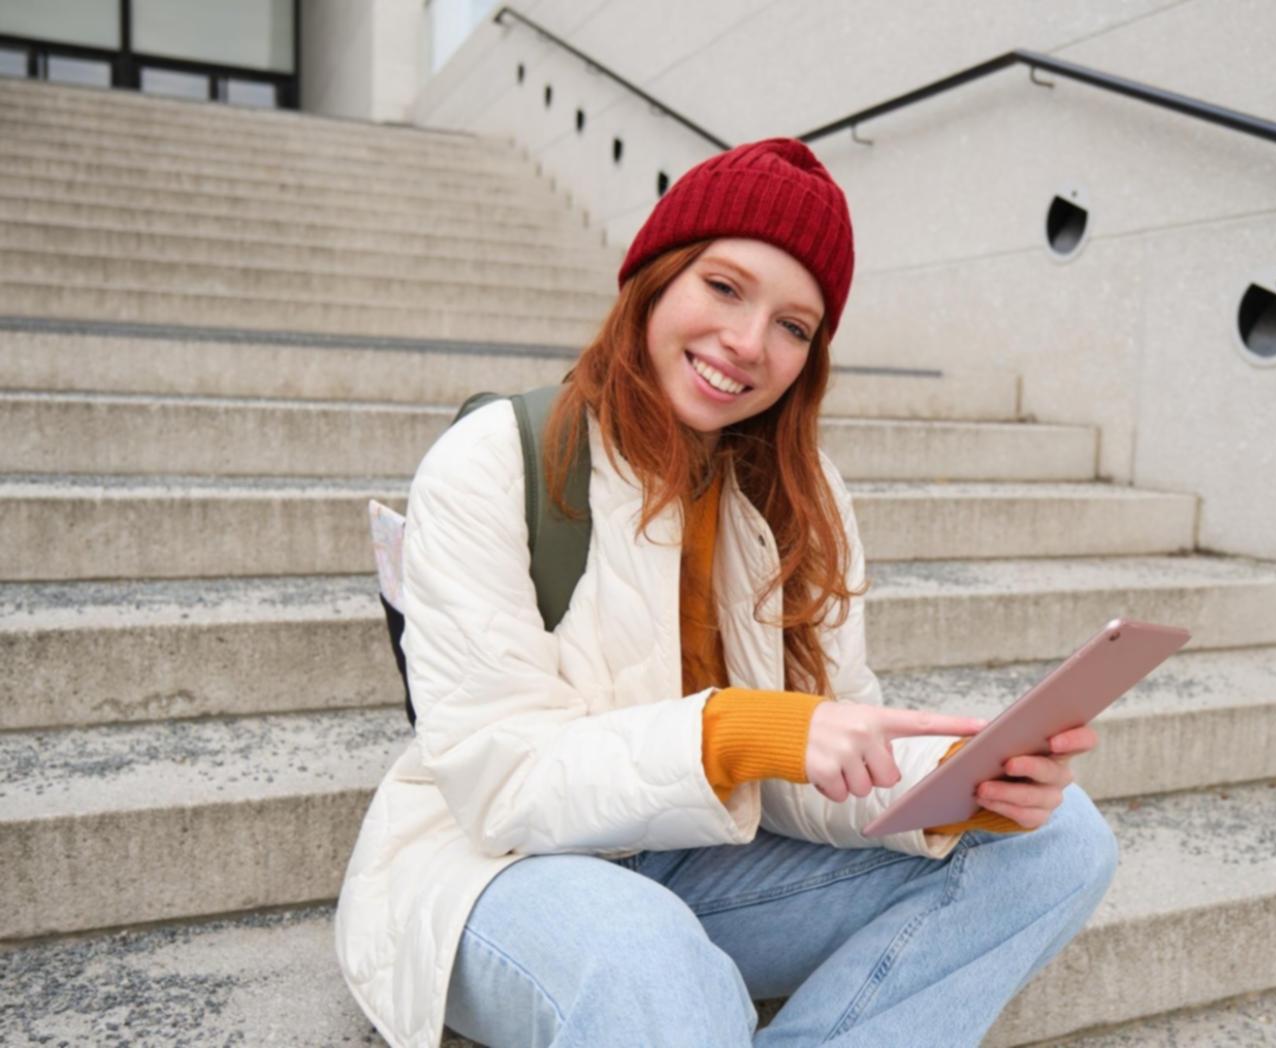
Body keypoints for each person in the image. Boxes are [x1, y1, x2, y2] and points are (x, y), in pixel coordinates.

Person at [334, 138, 1118, 1048]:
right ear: (655, 279)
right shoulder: (493, 459)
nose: (748, 344)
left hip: (703, 861)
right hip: (494, 871)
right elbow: (499, 778)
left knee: (1057, 839)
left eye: (793, 326)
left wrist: (953, 781)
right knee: (643, 948)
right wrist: (740, 731)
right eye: (723, 287)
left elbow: (814, 763)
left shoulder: (801, 496)